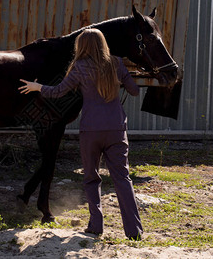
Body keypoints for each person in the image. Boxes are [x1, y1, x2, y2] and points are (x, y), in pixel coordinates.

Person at [19, 28, 143, 240]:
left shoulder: (79, 67)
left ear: (81, 46)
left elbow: (58, 91)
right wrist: (122, 78)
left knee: (91, 179)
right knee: (123, 179)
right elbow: (134, 90)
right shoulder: (117, 63)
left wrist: (37, 86)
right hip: (115, 129)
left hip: (91, 131)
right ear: (103, 43)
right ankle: (134, 232)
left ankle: (95, 226)